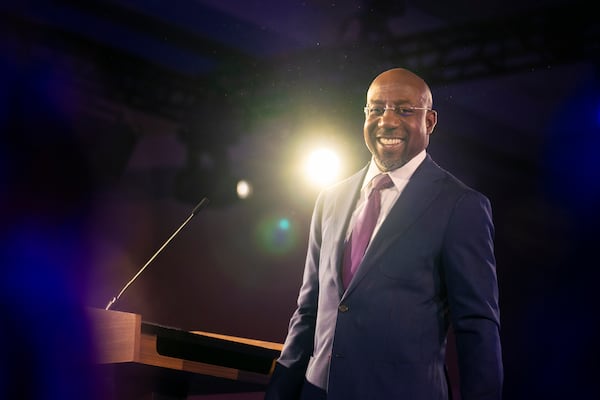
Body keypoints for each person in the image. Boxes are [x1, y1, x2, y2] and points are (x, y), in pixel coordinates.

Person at [264, 67, 503, 399]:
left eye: (405, 110)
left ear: (430, 121)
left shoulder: (460, 206)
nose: (387, 121)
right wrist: (279, 393)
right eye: (376, 109)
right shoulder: (330, 199)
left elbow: (477, 326)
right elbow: (309, 310)